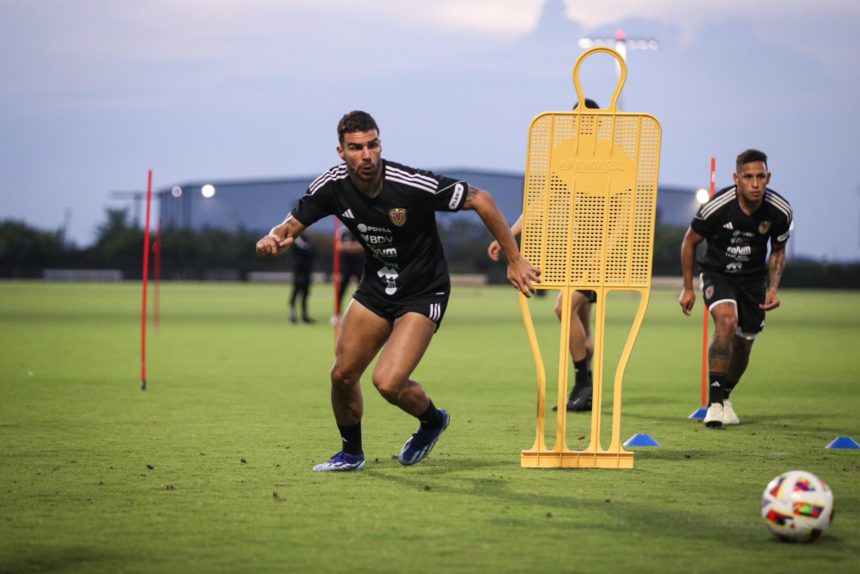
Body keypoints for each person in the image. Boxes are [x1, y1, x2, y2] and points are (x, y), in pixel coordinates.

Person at [257, 110, 540, 472]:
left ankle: (433, 420)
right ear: (341, 152)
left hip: (424, 291)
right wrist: (274, 237)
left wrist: (514, 259)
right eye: (356, 148)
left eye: (373, 145)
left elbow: (481, 199)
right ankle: (350, 454)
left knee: (387, 382)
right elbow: (290, 225)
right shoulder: (332, 185)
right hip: (377, 287)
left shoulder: (410, 184)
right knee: (342, 375)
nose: (367, 155)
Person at [487, 98, 600, 412]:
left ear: (600, 125)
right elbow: (543, 202)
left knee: (563, 309)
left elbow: (625, 215)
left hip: (601, 255)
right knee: (582, 330)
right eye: (577, 121)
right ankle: (587, 385)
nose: (582, 127)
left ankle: (582, 383)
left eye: (588, 122)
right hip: (578, 253)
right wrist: (507, 235)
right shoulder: (568, 163)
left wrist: (602, 253)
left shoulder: (610, 163)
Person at [679, 149, 793, 428]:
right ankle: (715, 404)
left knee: (744, 345)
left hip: (754, 281)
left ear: (769, 177)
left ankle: (726, 396)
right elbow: (689, 242)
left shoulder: (780, 211)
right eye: (748, 177)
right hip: (718, 274)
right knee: (727, 321)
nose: (755, 183)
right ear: (736, 178)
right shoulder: (717, 207)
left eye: (760, 177)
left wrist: (773, 288)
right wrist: (688, 288)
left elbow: (778, 250)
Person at [331, 223, 365, 324]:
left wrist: (348, 247)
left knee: (364, 291)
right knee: (340, 291)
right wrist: (355, 247)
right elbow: (339, 247)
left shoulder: (361, 229)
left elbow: (364, 246)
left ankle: (365, 316)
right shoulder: (342, 232)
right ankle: (337, 315)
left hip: (360, 266)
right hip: (345, 267)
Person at [288, 235, 315, 324]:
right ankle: (292, 316)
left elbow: (313, 253)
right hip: (298, 272)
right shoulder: (295, 241)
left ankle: (304, 316)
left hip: (307, 272)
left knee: (305, 295)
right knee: (295, 293)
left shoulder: (307, 240)